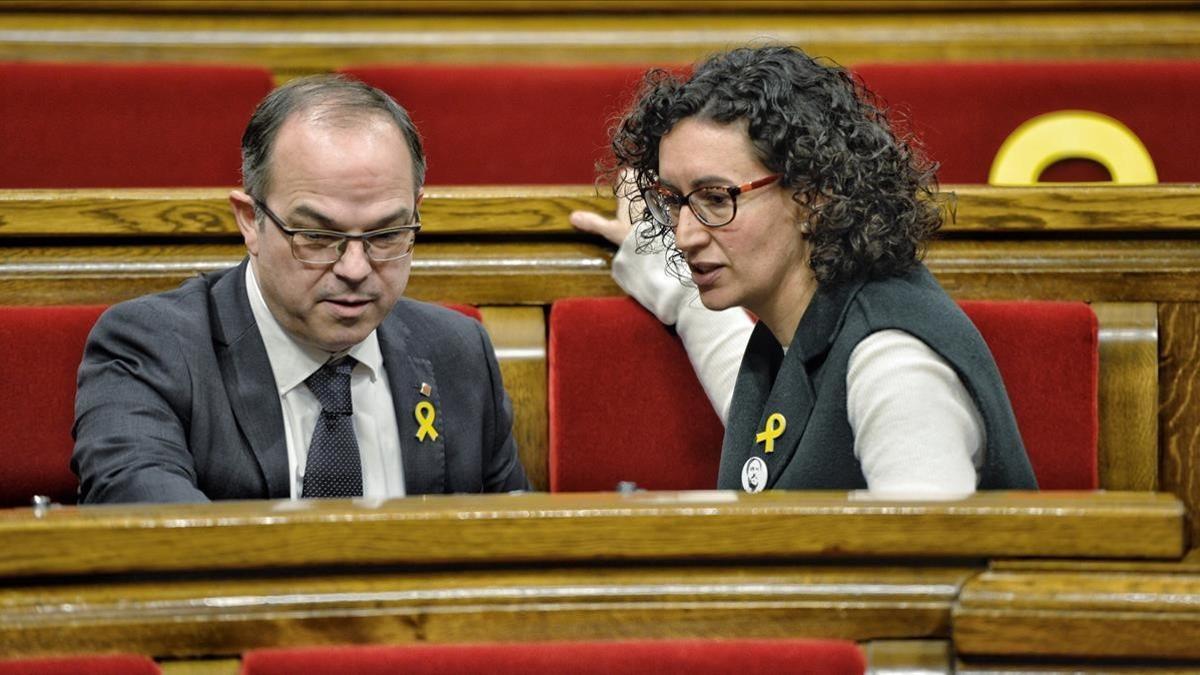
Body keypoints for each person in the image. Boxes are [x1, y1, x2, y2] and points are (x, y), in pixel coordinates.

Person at [571, 45, 1037, 494]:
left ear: (814, 197)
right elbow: (777, 425)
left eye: (716, 199)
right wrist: (653, 261)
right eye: (674, 201)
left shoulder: (893, 366)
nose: (685, 235)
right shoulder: (804, 327)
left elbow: (926, 569)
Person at [72, 75, 529, 503]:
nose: (355, 268)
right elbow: (156, 537)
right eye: (318, 237)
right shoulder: (152, 350)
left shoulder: (457, 352)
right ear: (251, 221)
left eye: (386, 235)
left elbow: (516, 548)